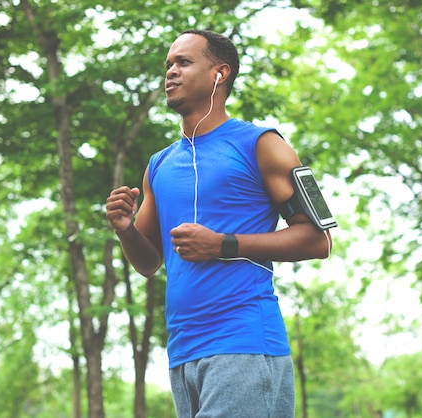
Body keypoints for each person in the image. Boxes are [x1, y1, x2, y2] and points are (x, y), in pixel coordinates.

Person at [106, 29, 332, 418]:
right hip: (182, 352)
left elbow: (319, 239)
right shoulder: (158, 165)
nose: (171, 72)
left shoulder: (261, 144)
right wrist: (126, 228)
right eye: (168, 64)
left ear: (219, 74)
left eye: (184, 62)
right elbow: (148, 263)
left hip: (244, 342)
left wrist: (225, 244)